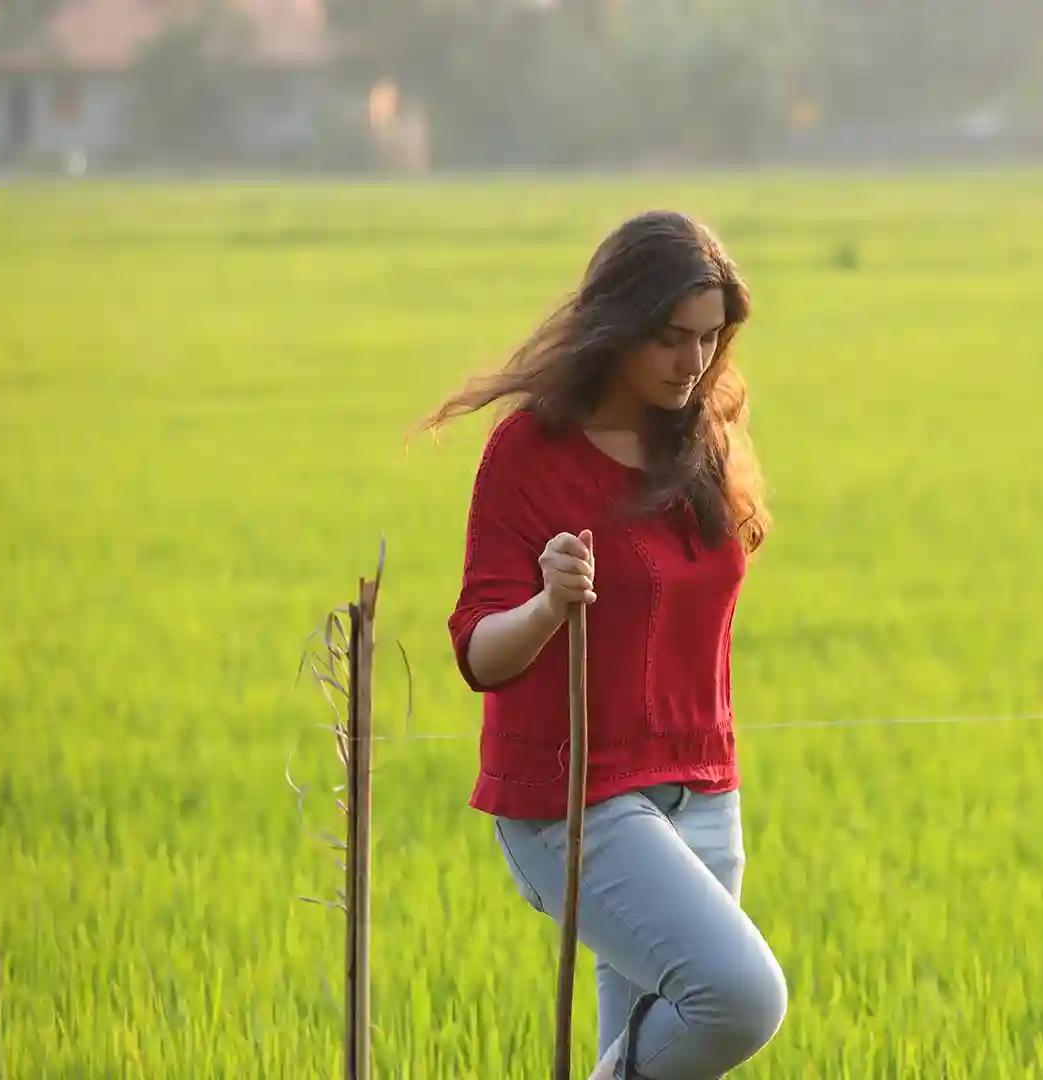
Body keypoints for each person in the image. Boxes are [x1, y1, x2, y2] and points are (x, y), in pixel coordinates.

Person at [420, 210, 786, 1079]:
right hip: (573, 798)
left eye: (707, 339)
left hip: (702, 789)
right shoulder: (531, 453)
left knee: (661, 1058)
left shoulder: (705, 441)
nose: (690, 362)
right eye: (667, 337)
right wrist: (550, 604)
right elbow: (479, 652)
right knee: (739, 997)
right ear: (615, 324)